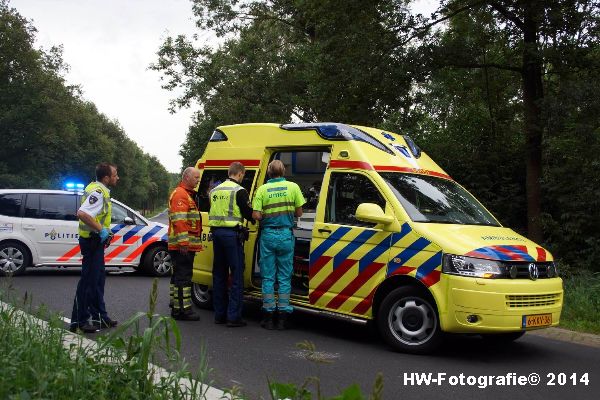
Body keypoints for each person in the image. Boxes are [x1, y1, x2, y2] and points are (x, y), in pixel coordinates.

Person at [252, 160, 305, 330]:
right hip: (285, 235)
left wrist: (267, 214)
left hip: (268, 235)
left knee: (268, 277)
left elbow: (256, 215)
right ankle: (282, 318)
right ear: (283, 171)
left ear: (269, 173)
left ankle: (268, 316)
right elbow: (299, 212)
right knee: (284, 276)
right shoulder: (293, 187)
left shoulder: (262, 189)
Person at [70, 162, 119, 333]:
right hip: (91, 242)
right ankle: (79, 321)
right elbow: (83, 214)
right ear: (106, 178)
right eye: (115, 175)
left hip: (94, 242)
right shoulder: (98, 192)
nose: (117, 177)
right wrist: (102, 230)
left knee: (97, 280)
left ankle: (100, 318)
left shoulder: (95, 188)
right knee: (89, 283)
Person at [208, 162, 254, 327]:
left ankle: (219, 315)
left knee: (219, 274)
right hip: (231, 235)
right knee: (236, 276)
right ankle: (233, 317)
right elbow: (249, 214)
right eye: (243, 175)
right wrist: (258, 216)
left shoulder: (214, 190)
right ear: (240, 174)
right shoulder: (239, 191)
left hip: (217, 235)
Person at [168, 167, 202, 321]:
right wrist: (183, 242)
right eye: (196, 177)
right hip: (183, 246)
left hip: (183, 245)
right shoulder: (181, 195)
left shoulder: (184, 194)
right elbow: (180, 220)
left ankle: (176, 306)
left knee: (178, 277)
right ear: (187, 177)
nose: (198, 180)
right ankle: (183, 310)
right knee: (184, 277)